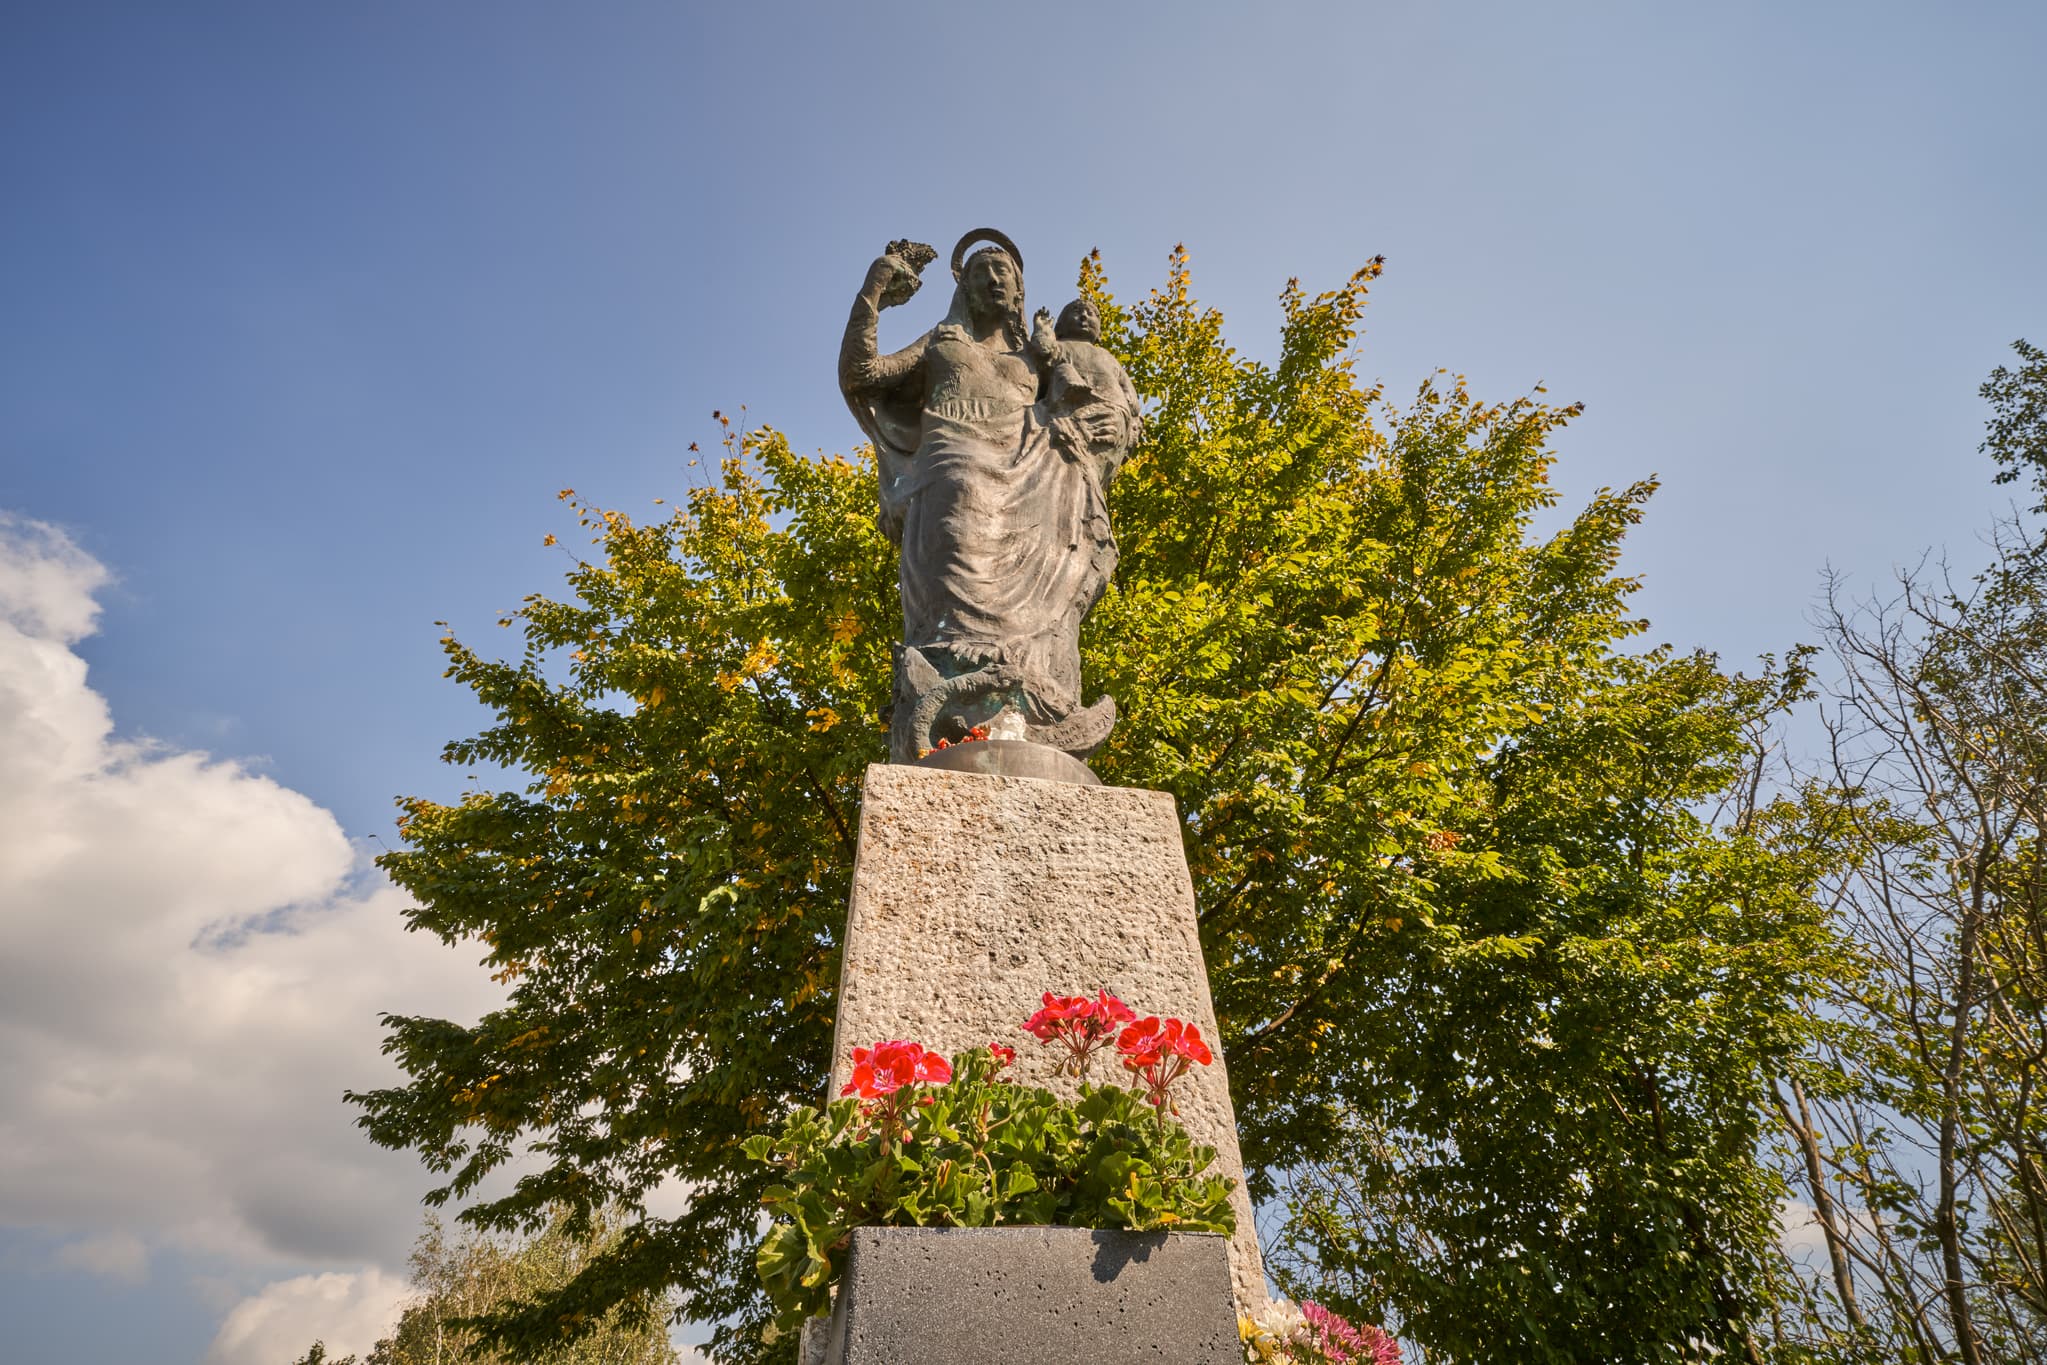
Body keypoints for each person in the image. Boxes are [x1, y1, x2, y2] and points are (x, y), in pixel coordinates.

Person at [840, 231, 1132, 763]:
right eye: (981, 272)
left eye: (1005, 273)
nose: (994, 279)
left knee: (1051, 599)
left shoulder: (1037, 358)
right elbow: (862, 376)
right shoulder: (942, 343)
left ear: (1019, 292)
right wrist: (875, 288)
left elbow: (1092, 407)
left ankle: (1034, 695)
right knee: (951, 572)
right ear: (965, 288)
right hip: (951, 470)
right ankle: (947, 692)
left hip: (1033, 481)